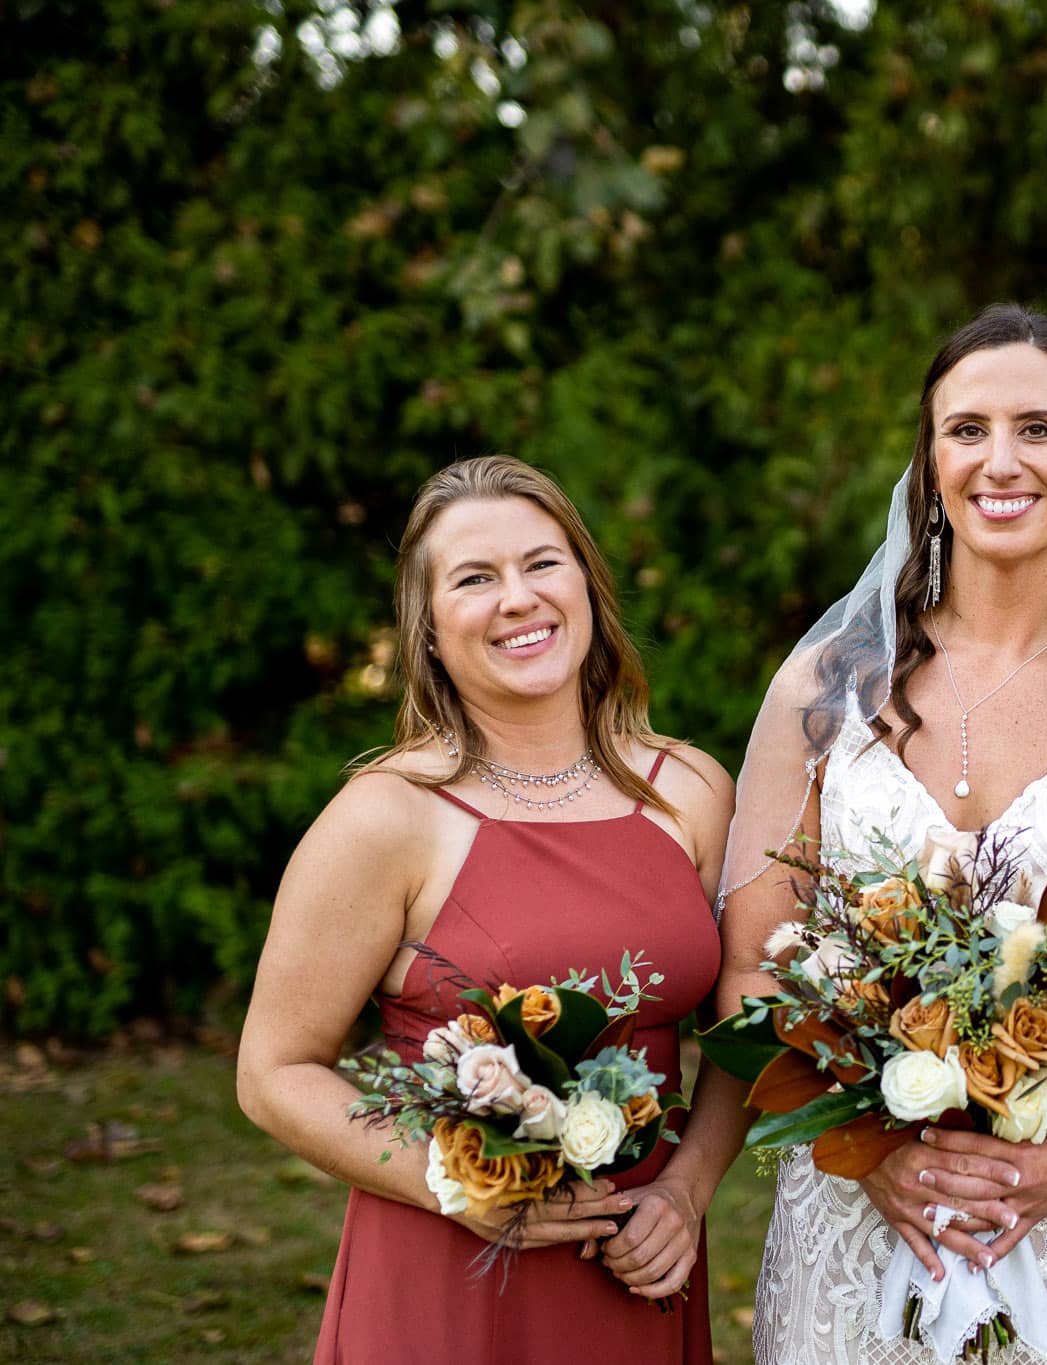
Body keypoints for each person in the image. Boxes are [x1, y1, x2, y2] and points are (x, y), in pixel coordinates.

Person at [701, 303, 1047, 1363]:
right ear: (929, 466)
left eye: (1038, 428)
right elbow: (752, 969)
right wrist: (867, 1151)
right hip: (857, 1218)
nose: (1001, 461)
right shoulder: (823, 691)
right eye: (967, 430)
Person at [236, 455, 731, 1362]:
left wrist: (687, 1189)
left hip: (638, 1269)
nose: (518, 598)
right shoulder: (386, 818)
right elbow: (273, 1072)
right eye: (474, 578)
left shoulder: (690, 791)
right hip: (447, 1276)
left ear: (587, 586)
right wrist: (456, 1184)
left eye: (542, 563)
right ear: (427, 631)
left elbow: (744, 1033)